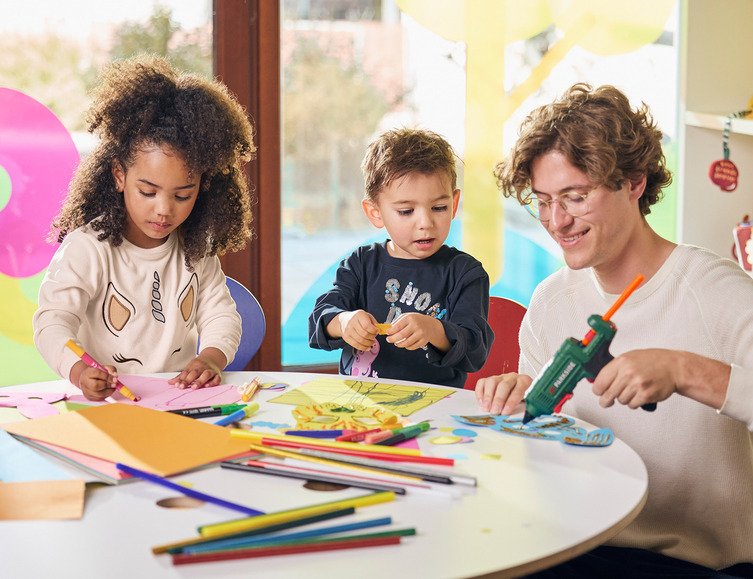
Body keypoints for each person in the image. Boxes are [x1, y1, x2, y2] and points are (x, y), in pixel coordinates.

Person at [477, 83, 753, 578]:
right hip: (582, 548)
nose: (557, 220)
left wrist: (685, 370)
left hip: (703, 564)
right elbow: (537, 448)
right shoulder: (551, 300)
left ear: (634, 183)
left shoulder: (714, 289)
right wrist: (520, 404)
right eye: (543, 200)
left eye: (575, 197)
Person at [33, 54, 255, 401]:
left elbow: (222, 315)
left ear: (203, 185)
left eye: (183, 194)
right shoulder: (88, 249)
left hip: (177, 400)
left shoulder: (195, 249)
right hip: (109, 403)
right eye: (148, 192)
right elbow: (52, 323)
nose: (164, 210)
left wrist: (211, 358)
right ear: (119, 175)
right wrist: (78, 372)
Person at [308, 128, 493, 388]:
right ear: (375, 213)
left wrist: (433, 330)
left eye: (439, 207)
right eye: (406, 211)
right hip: (360, 406)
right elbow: (320, 320)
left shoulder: (465, 273)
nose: (425, 223)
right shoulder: (361, 264)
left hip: (435, 410)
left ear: (454, 202)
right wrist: (344, 322)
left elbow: (475, 349)